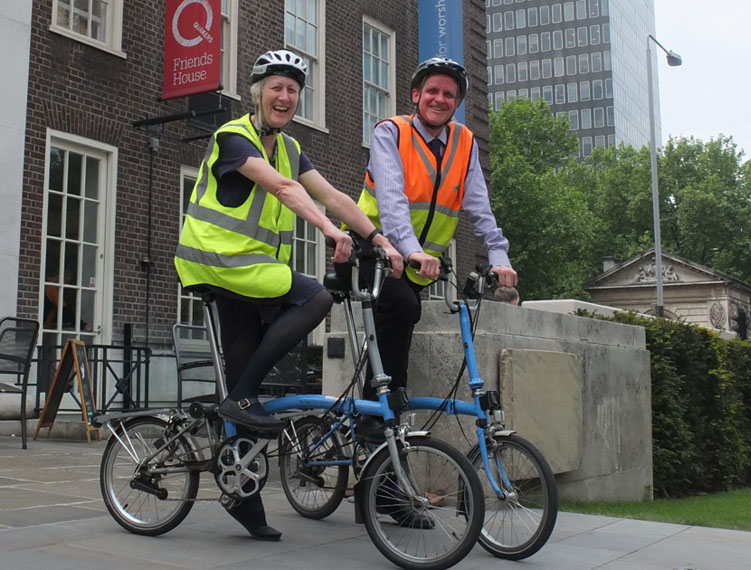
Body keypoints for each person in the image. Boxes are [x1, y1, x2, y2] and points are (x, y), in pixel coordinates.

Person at [174, 49, 402, 542]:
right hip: (217, 262)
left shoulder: (291, 147)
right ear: (257, 94)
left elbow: (336, 197)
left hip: (252, 273)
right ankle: (238, 401)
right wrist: (327, 230)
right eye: (276, 87)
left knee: (246, 382)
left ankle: (242, 494)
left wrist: (379, 239)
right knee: (317, 297)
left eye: (293, 90)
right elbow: (281, 189)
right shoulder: (234, 137)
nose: (284, 96)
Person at [353, 57, 517, 435]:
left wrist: (499, 256)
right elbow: (392, 202)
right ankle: (374, 418)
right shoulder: (390, 133)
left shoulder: (465, 142)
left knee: (405, 318)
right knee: (400, 305)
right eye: (432, 91)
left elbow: (480, 206)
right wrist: (410, 249)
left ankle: (383, 418)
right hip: (373, 246)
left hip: (416, 262)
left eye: (448, 94)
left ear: (456, 103)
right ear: (415, 95)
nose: (439, 99)